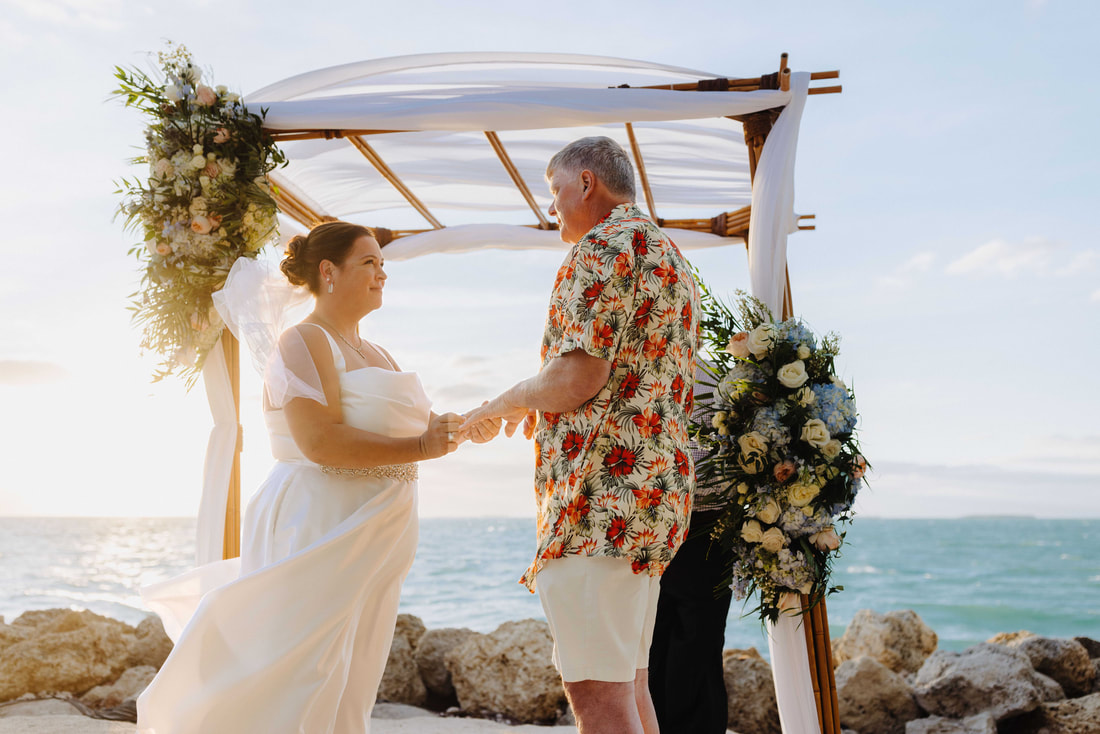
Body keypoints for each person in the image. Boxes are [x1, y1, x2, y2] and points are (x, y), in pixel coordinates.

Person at [137, 221, 499, 734]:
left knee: (354, 675)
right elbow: (320, 442)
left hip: (377, 534)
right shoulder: (303, 342)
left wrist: (464, 426)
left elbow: (416, 429)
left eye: (383, 264)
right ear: (329, 272)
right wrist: (422, 446)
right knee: (301, 675)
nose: (382, 275)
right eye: (370, 263)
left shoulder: (379, 354)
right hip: (319, 523)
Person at [462, 136, 700, 734]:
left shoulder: (599, 248)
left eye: (556, 191)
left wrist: (509, 399)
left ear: (587, 183)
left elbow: (578, 376)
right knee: (629, 684)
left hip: (601, 502)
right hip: (654, 498)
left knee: (596, 693)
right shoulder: (668, 255)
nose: (553, 209)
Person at [647, 367, 736, 734]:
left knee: (682, 647)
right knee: (677, 647)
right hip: (665, 522)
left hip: (697, 523)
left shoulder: (715, 380)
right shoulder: (716, 379)